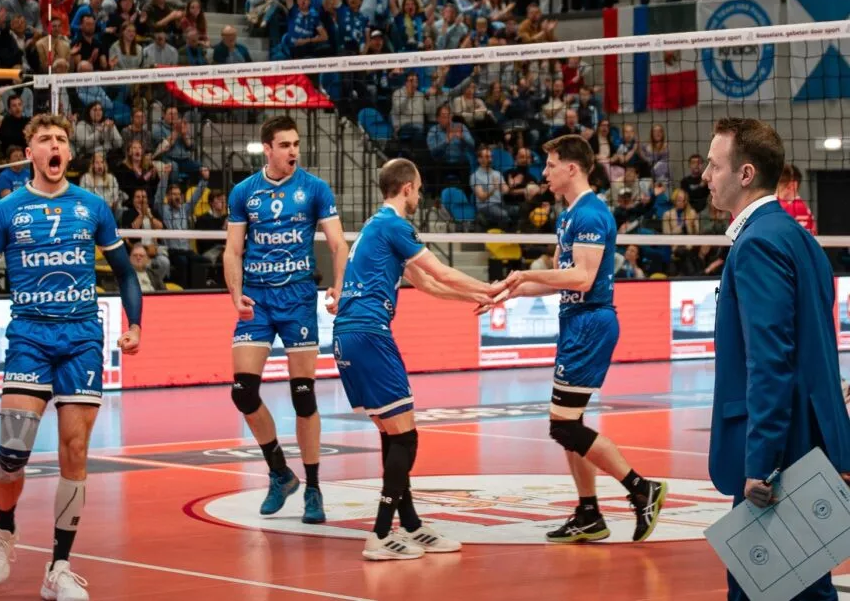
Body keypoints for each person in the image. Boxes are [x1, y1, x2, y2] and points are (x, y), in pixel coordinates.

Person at [0, 114, 143, 601]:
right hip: (29, 336)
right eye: (45, 139)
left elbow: (126, 273)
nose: (55, 146)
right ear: (30, 153)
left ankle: (59, 567)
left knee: (75, 450)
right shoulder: (6, 209)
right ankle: (4, 529)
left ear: (69, 152)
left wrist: (134, 325)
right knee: (12, 452)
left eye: (61, 139)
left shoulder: (91, 206)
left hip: (82, 336)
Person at [702, 118, 850, 601]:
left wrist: (762, 464)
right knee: (804, 585)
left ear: (745, 174)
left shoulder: (758, 244)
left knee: (760, 587)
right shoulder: (799, 238)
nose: (704, 175)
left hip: (780, 455)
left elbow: (771, 362)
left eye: (714, 165)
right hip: (810, 444)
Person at [496, 135, 667, 544]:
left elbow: (583, 278)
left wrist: (527, 273)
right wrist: (509, 291)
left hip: (590, 324)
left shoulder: (590, 214)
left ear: (572, 168)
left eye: (551, 165)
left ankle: (641, 488)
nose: (544, 172)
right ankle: (589, 513)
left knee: (564, 428)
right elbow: (561, 281)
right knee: (569, 424)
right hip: (575, 321)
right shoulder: (568, 216)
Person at [335, 158, 498, 560]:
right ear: (406, 187)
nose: (420, 196)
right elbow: (440, 271)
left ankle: (410, 524)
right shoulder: (394, 225)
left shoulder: (376, 227)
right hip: (369, 333)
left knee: (392, 434)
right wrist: (492, 289)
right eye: (420, 189)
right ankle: (378, 534)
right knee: (406, 438)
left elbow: (426, 283)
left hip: (349, 336)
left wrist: (476, 296)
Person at [223, 115, 349, 524]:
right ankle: (280, 472)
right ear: (268, 149)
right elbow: (233, 250)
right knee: (243, 392)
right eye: (285, 145)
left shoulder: (314, 189)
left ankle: (313, 487)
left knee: (303, 395)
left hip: (297, 299)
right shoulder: (245, 192)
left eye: (296, 144)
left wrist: (338, 285)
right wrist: (235, 294)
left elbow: (338, 243)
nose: (293, 151)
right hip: (258, 299)